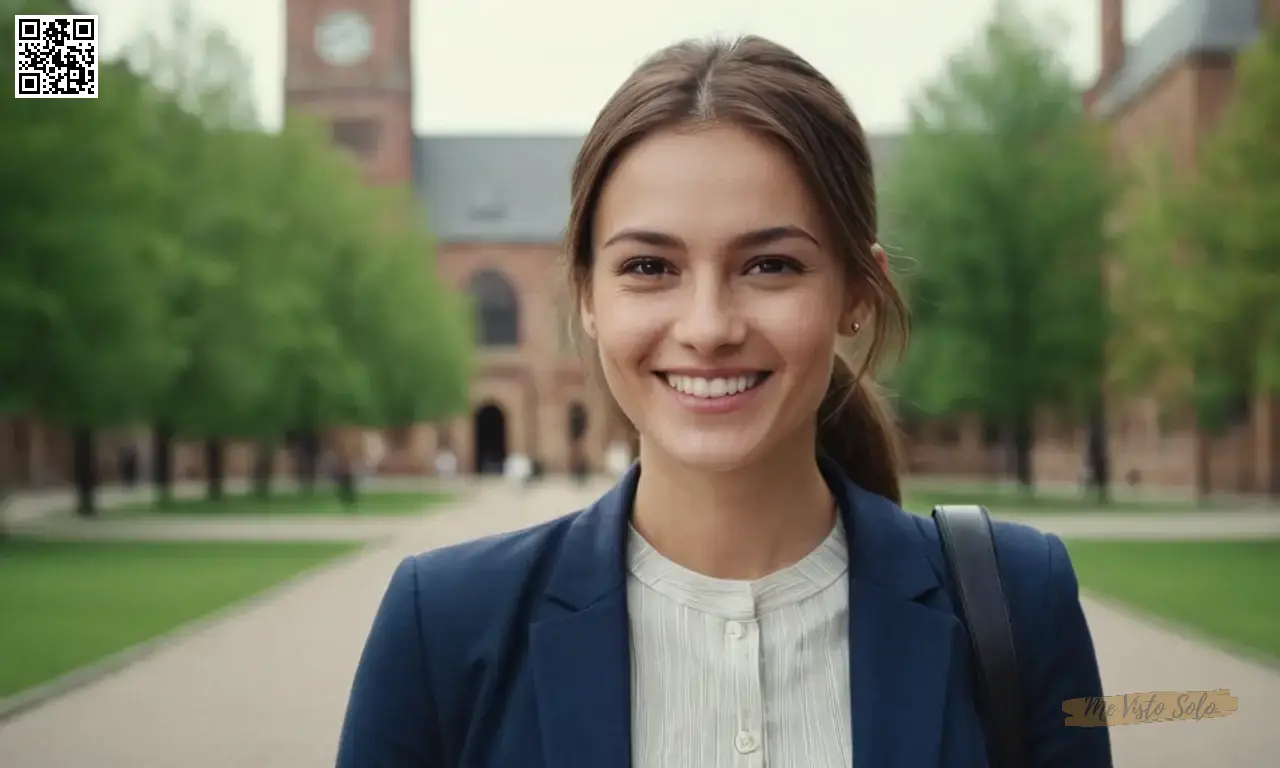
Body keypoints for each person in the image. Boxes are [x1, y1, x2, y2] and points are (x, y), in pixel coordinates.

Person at [337, 36, 1111, 767]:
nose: (708, 329)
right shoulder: (441, 627)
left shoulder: (1018, 606)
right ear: (586, 299)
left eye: (771, 265)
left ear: (857, 294)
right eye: (649, 266)